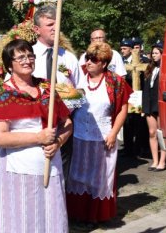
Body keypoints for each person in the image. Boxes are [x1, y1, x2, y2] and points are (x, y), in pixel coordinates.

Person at [0, 39, 72, 232]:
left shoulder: (47, 87)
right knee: (23, 221)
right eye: (21, 57)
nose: (27, 60)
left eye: (30, 56)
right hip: (18, 170)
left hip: (50, 167)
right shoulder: (3, 93)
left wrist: (58, 142)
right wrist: (38, 138)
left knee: (50, 220)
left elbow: (67, 123)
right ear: (10, 64)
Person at [66, 42, 132, 224]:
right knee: (78, 176)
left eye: (93, 60)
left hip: (103, 137)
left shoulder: (115, 82)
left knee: (100, 177)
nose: (88, 62)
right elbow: (68, 106)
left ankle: (96, 216)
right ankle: (78, 214)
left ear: (103, 63)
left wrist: (113, 133)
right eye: (87, 58)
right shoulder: (78, 79)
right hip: (79, 136)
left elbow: (122, 109)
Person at [33, 4, 83, 182]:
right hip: (35, 128)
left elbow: (80, 91)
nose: (55, 28)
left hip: (64, 128)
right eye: (50, 24)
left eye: (57, 23)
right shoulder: (27, 56)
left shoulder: (67, 58)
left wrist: (65, 108)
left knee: (61, 178)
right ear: (37, 29)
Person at [121, 38, 150, 157]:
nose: (122, 51)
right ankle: (128, 148)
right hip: (126, 97)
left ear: (132, 49)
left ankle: (139, 148)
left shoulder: (142, 61)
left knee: (138, 122)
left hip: (137, 96)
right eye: (121, 48)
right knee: (126, 122)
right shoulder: (121, 61)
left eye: (125, 48)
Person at [142, 40, 166, 171]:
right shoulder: (149, 68)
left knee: (160, 133)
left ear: (163, 54)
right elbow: (146, 88)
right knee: (152, 132)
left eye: (157, 53)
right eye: (153, 53)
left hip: (160, 104)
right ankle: (155, 160)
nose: (154, 55)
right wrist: (144, 106)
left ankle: (162, 161)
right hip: (149, 104)